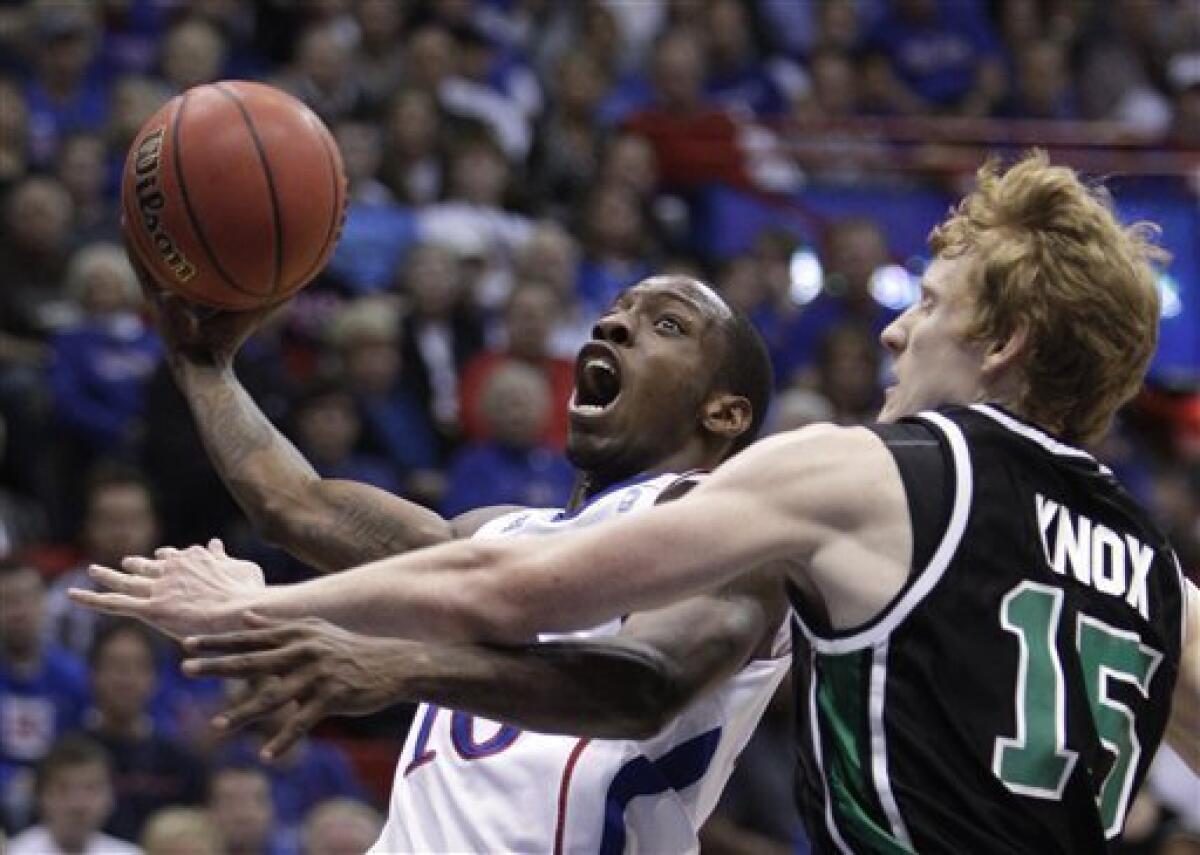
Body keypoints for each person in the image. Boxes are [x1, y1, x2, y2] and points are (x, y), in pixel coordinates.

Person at [79, 153, 1200, 851]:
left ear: (1002, 341)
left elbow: (602, 656)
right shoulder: (1155, 570)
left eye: (933, 304)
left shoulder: (866, 480)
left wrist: (281, 618)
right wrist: (203, 364)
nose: (895, 330)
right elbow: (309, 505)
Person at [82, 262, 788, 852]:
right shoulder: (499, 533)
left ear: (724, 412)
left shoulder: (733, 533)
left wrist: (396, 665)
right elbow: (295, 505)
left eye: (667, 324)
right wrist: (199, 361)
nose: (612, 324)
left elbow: (644, 685)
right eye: (616, 309)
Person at [7, 734, 140, 855]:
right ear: (42, 796)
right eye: (63, 790)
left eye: (91, 789)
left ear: (110, 798)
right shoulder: (13, 852)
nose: (77, 805)